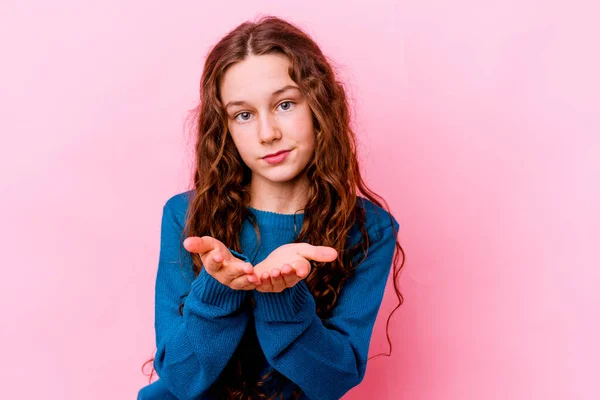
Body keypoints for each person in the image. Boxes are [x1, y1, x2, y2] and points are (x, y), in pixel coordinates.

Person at [137, 15, 405, 400]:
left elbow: (332, 380)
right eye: (244, 115)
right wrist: (218, 288)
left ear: (319, 105)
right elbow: (181, 378)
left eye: (284, 104)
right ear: (225, 128)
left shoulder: (370, 229)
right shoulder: (186, 216)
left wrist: (281, 295)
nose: (267, 134)